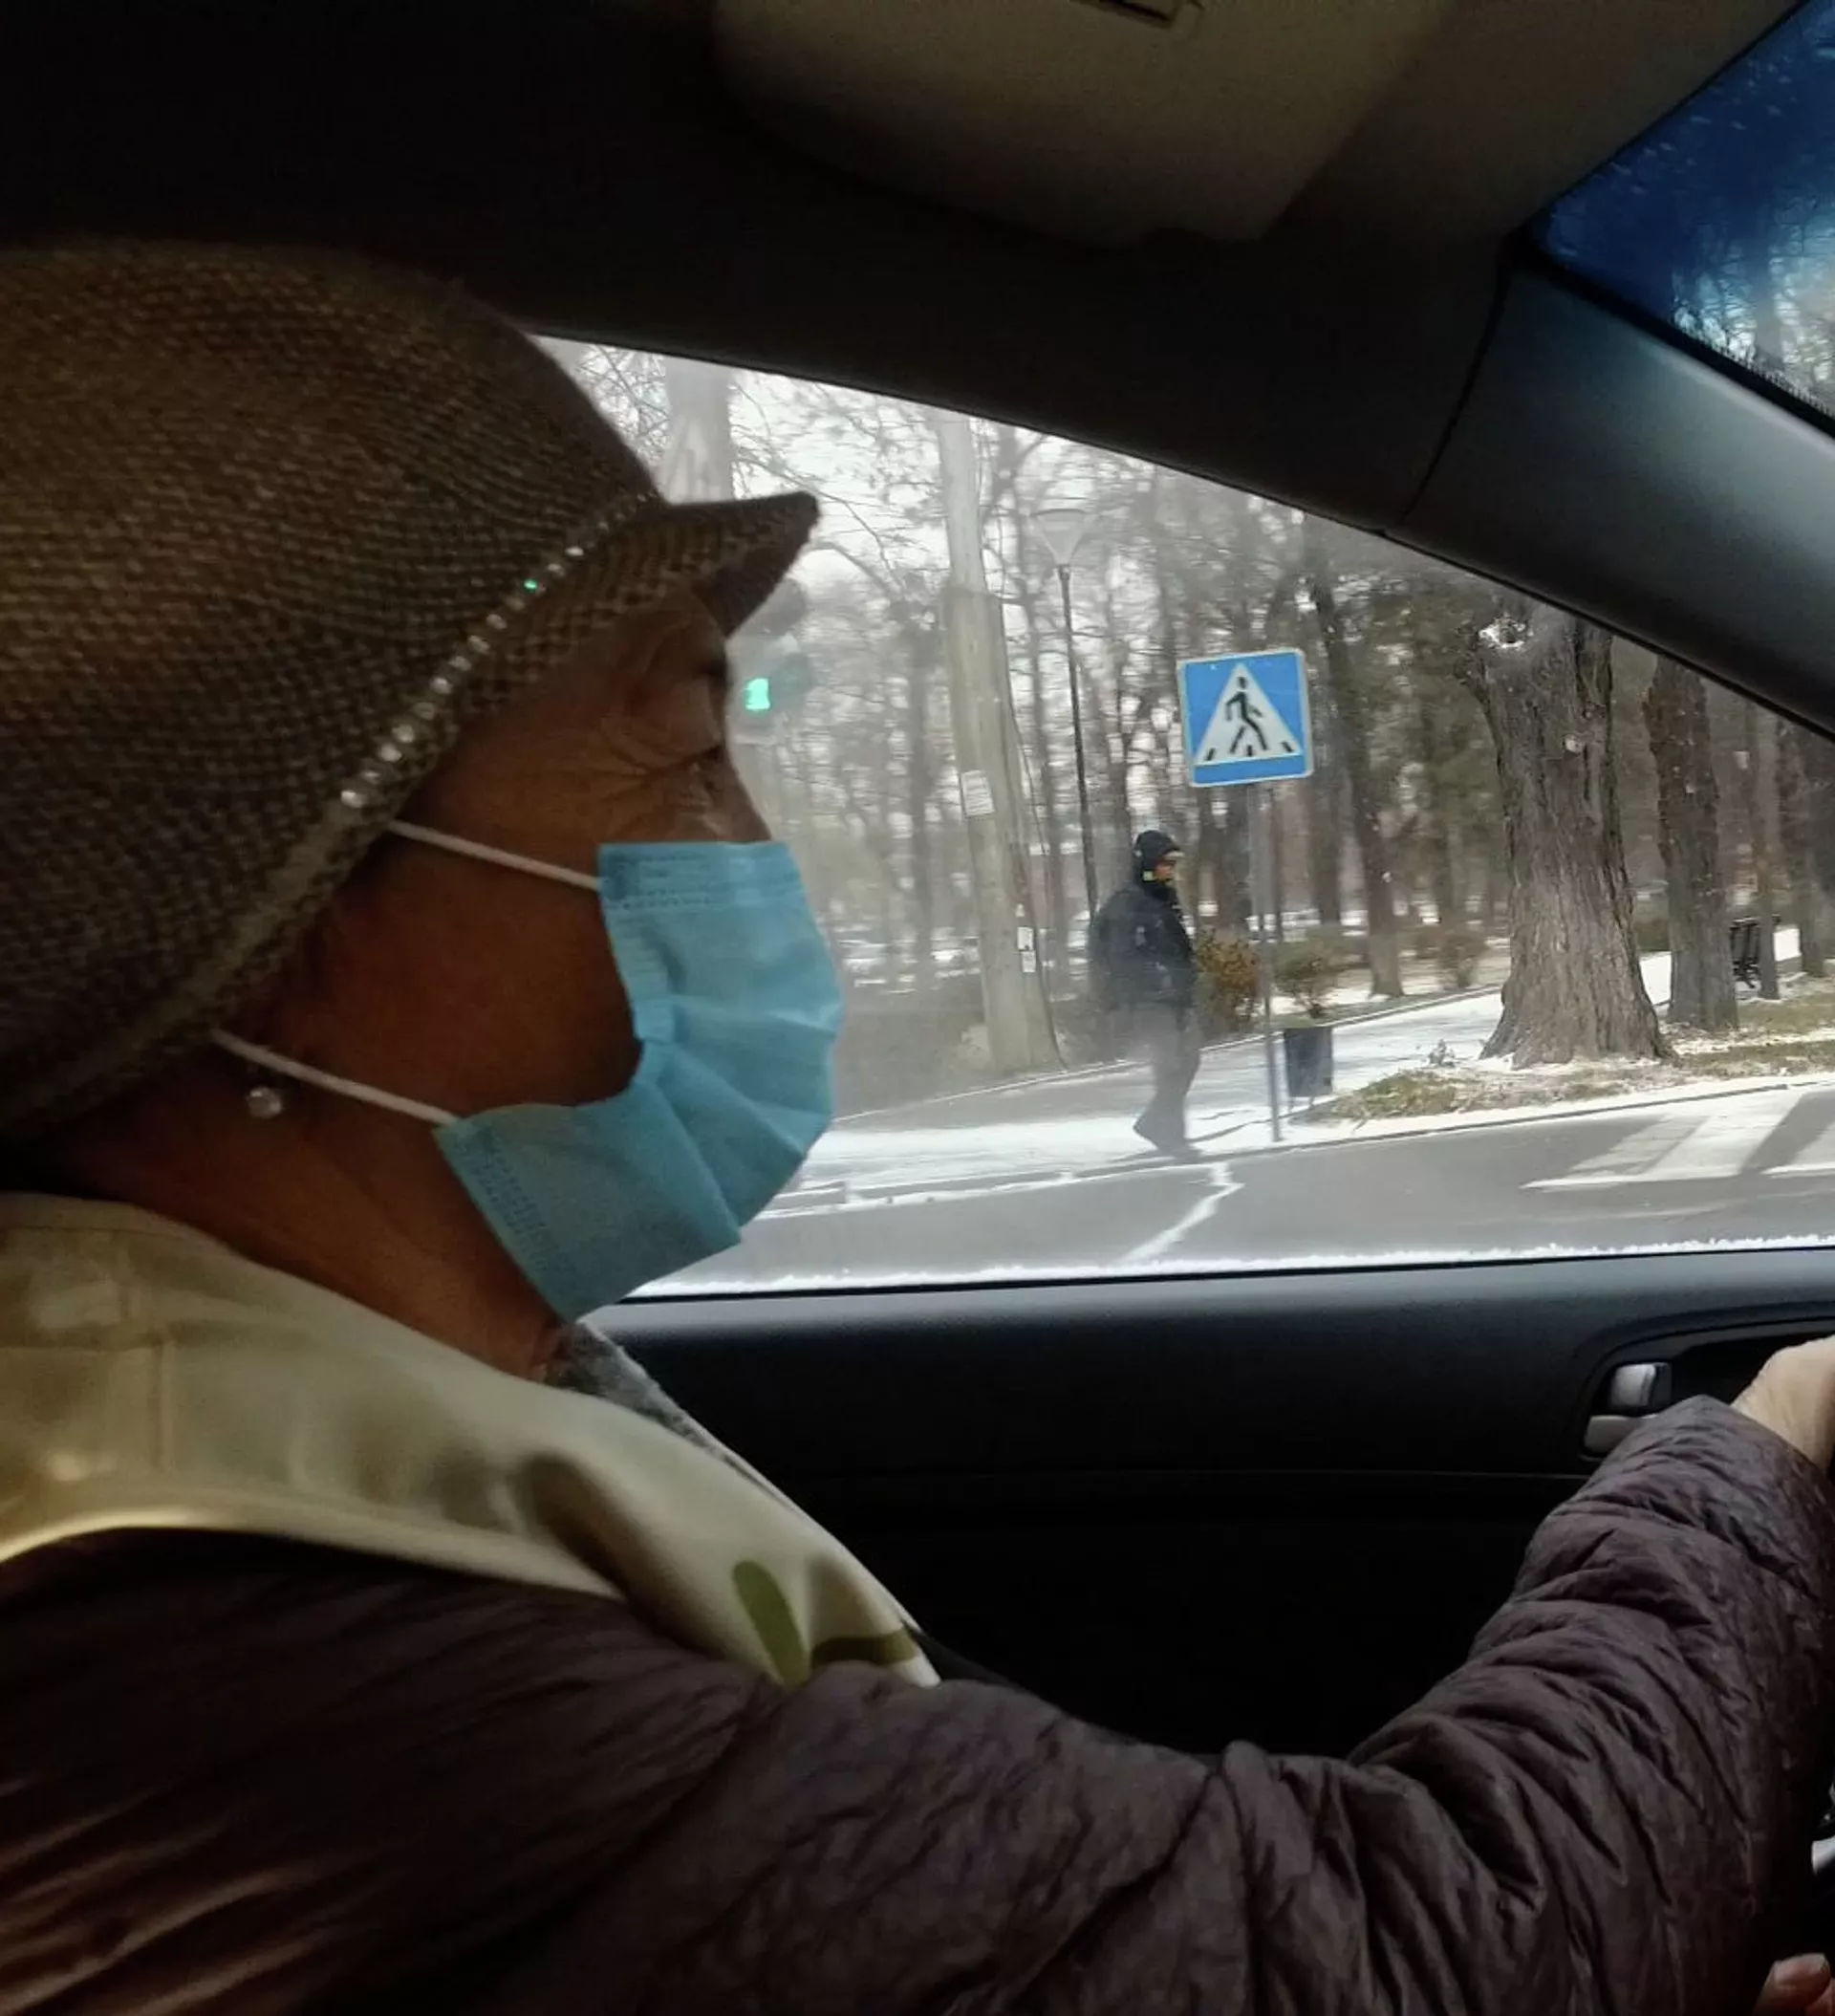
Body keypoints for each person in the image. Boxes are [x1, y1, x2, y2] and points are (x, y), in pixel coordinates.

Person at [3, 241, 1835, 2015]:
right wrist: (1771, 1443)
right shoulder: (180, 1624)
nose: (753, 856)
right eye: (682, 755)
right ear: (279, 928)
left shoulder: (356, 1429)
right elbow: (1391, 1969)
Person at [1091, 828, 1203, 1155]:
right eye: (1164, 864)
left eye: (1172, 865)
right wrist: (1147, 984)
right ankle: (1171, 1135)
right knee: (1169, 1065)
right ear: (1147, 865)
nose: (1170, 871)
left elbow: (1175, 947)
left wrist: (1183, 980)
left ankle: (1156, 1123)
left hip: (1176, 997)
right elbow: (1120, 957)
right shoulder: (1127, 904)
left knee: (1189, 1061)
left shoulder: (1163, 899)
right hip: (1148, 1001)